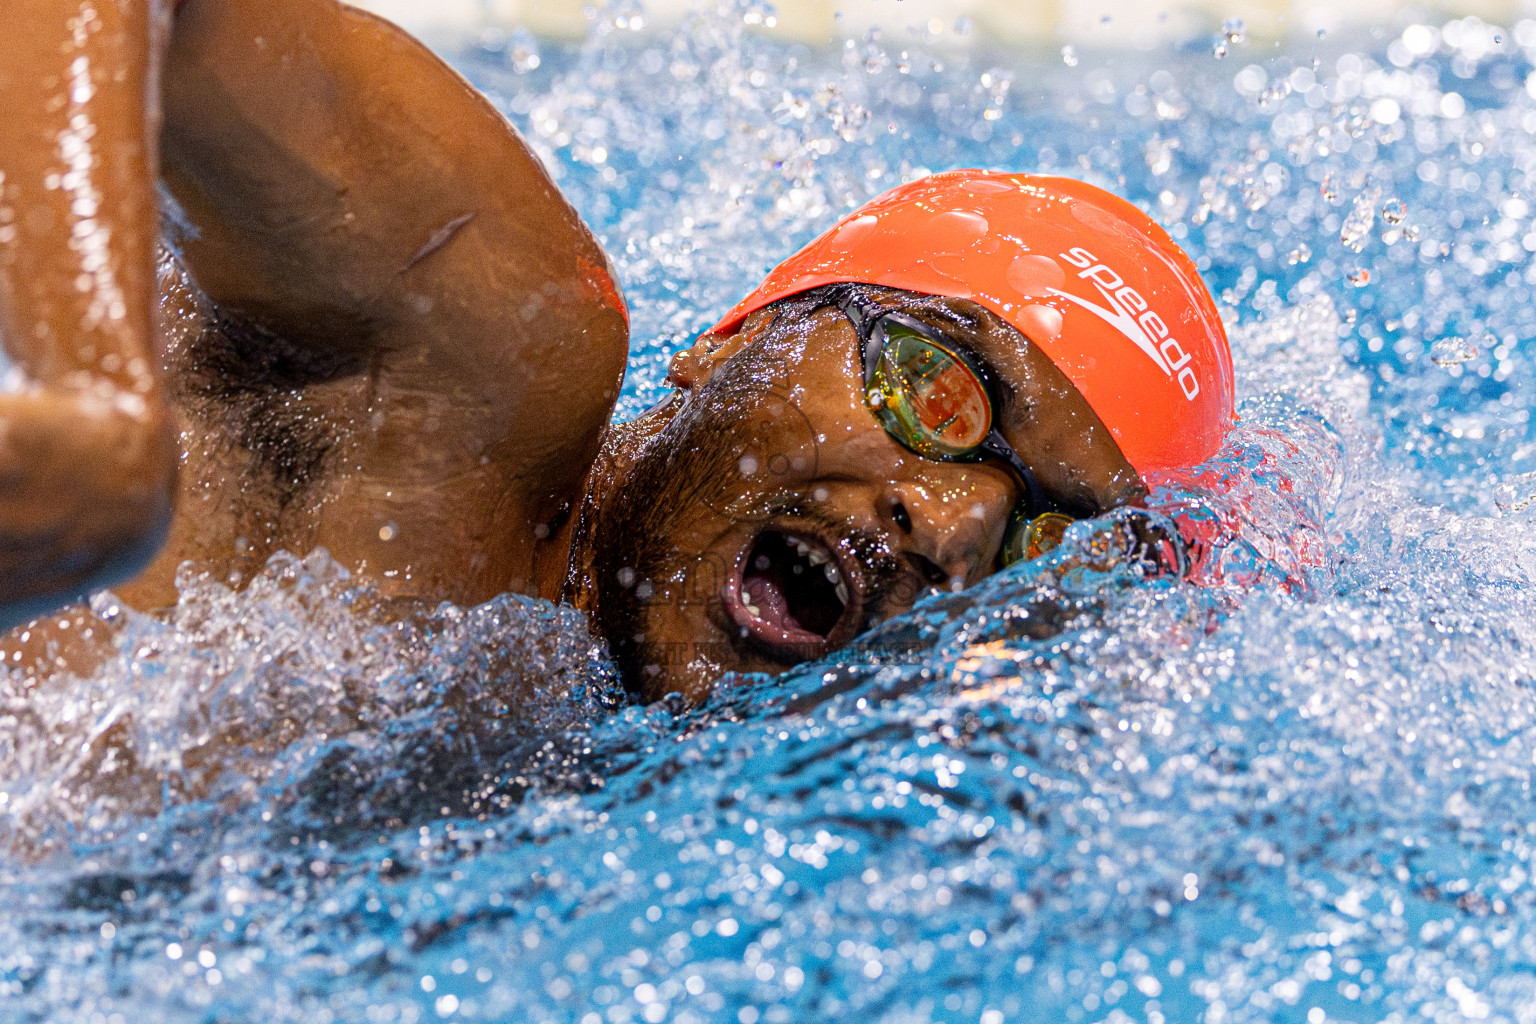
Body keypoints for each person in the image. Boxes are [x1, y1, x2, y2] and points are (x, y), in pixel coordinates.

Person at [0, 0, 1233, 702]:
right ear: (736, 339)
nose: (954, 530)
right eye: (939, 394)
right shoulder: (486, 347)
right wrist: (87, 401)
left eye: (1035, 529)